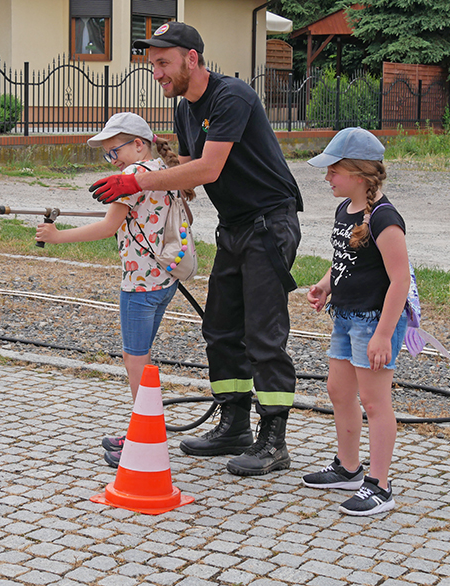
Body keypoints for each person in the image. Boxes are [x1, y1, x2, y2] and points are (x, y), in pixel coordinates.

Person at [88, 22, 303, 477]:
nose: (157, 74)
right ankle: (234, 426)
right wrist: (141, 176)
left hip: (270, 224)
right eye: (153, 65)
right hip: (235, 227)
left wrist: (136, 182)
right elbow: (185, 167)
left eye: (163, 63)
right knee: (221, 330)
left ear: (192, 58)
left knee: (263, 334)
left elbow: (208, 168)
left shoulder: (232, 97)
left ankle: (273, 440)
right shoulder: (186, 109)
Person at [36, 112, 193, 468]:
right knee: (142, 358)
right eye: (107, 155)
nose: (112, 160)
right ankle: (142, 429)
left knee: (136, 362)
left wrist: (57, 236)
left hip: (138, 285)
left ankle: (144, 438)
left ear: (138, 144)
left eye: (114, 151)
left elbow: (108, 227)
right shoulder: (161, 170)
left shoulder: (132, 176)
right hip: (164, 280)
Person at [302, 127, 409, 516]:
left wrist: (383, 335)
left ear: (360, 174)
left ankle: (380, 485)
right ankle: (348, 469)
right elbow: (345, 261)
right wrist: (325, 285)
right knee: (338, 390)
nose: (327, 178)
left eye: (334, 171)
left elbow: (400, 280)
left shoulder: (385, 219)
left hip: (373, 322)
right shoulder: (345, 209)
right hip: (345, 317)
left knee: (375, 402)